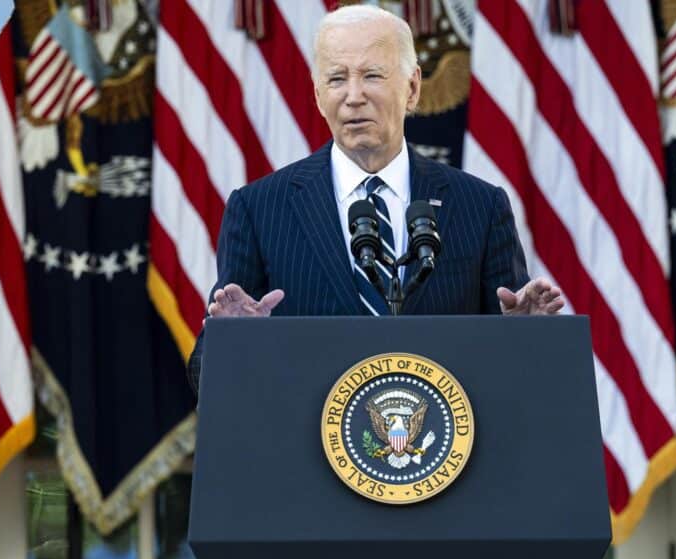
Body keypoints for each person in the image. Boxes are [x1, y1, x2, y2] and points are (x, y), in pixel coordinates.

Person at [188, 4, 563, 393]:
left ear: (413, 87)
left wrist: (528, 338)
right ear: (318, 94)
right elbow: (205, 380)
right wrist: (233, 344)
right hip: (309, 448)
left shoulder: (480, 207)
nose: (353, 96)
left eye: (372, 75)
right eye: (336, 79)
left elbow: (518, 375)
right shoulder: (259, 209)